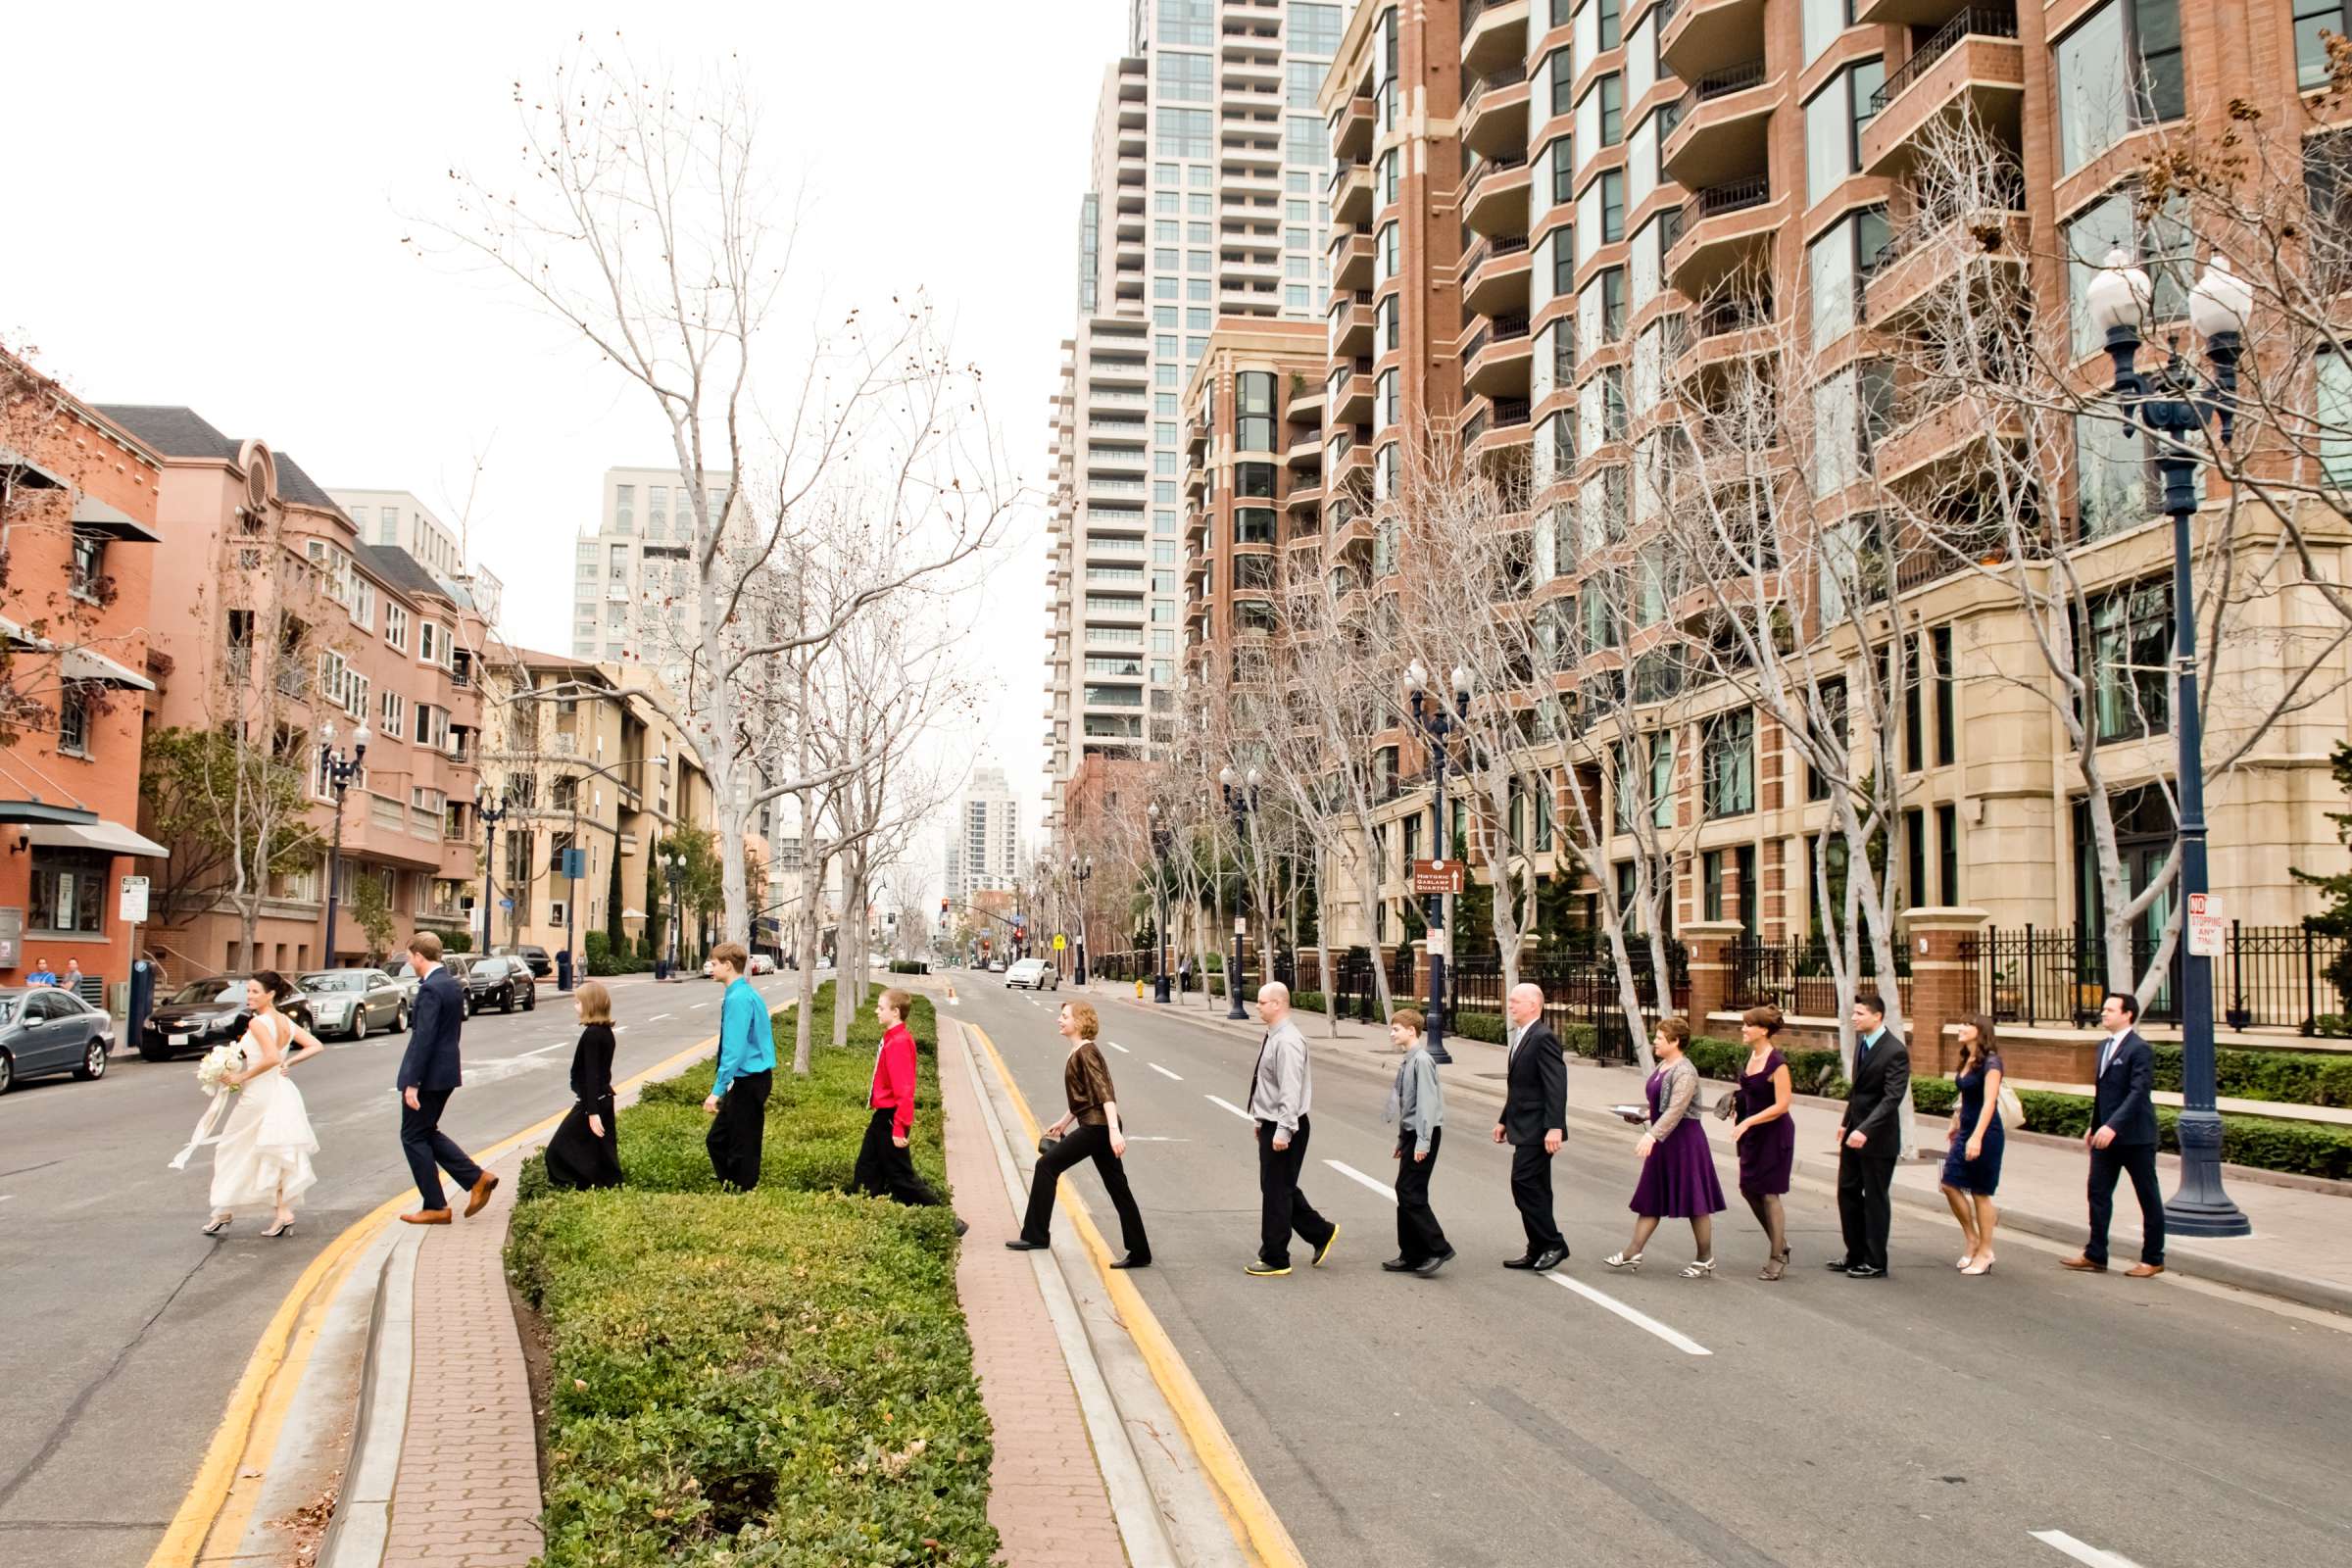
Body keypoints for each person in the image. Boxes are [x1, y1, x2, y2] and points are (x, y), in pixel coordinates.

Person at [1006, 999, 1149, 1267]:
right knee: (1118, 1187)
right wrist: (1064, 1122)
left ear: (1079, 1022)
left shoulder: (1087, 1052)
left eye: (1065, 1016)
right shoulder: (1080, 1051)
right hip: (1095, 1125)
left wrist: (1115, 1133)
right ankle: (1140, 1251)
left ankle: (1035, 1235)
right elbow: (1084, 1098)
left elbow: (1105, 1092)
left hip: (1097, 1128)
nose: (1059, 1020)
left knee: (1046, 1166)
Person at [187, 972, 322, 1238]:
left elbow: (270, 1057)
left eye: (255, 992)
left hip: (258, 1094)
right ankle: (281, 1212)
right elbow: (315, 1046)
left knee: (230, 1147)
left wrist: (241, 1076)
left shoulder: (259, 1023)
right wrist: (288, 1062)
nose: (249, 996)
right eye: (248, 991)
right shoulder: (284, 1020)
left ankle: (224, 1210)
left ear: (270, 994)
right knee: (271, 1151)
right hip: (280, 1090)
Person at [1606, 1017, 1727, 1275]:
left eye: (1660, 1038)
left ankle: (1705, 1257)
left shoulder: (1684, 1071)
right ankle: (1633, 1251)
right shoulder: (1664, 1065)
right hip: (1665, 1139)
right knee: (1651, 1194)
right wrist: (1643, 1115)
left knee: (1696, 1200)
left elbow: (1677, 1109)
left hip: (1685, 1141)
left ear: (1675, 1041)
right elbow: (1661, 1106)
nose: (1655, 1042)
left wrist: (1651, 1136)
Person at [395, 930, 495, 1225]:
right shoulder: (450, 984)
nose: (409, 961)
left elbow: (424, 1038)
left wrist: (413, 1083)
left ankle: (436, 1206)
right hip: (446, 1072)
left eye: (409, 956)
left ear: (418, 956)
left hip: (427, 1077)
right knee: (425, 1132)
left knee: (413, 1136)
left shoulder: (429, 990)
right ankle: (477, 1178)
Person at [2064, 991, 2165, 1279]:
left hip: (2135, 1138)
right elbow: (2103, 1094)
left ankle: (2153, 1258)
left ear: (2127, 1014)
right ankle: (2096, 1253)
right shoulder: (2102, 1047)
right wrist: (2095, 1125)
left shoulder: (2139, 1049)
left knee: (2147, 1196)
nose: (2103, 1013)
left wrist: (2113, 1126)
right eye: (2103, 1009)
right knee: (2097, 1192)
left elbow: (2138, 1093)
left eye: (2109, 1009)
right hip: (2105, 1137)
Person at [853, 988, 967, 1235]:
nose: (876, 1011)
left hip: (891, 1117)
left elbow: (904, 1090)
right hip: (882, 1116)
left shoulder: (899, 1043)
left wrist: (900, 1127)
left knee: (902, 1178)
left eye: (880, 1008)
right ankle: (867, 1223)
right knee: (866, 1170)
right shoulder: (894, 1038)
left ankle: (947, 1221)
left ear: (895, 1012)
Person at [1245, 980, 1337, 1277]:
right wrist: (1262, 1120)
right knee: (1278, 1187)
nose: (1257, 1006)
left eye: (1261, 1001)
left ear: (1278, 1004)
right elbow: (1268, 1085)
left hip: (1287, 1125)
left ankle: (1275, 1257)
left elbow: (1290, 1090)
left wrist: (1283, 1130)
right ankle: (1320, 1232)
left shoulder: (1287, 1042)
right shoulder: (1273, 1036)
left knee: (1276, 1192)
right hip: (1273, 1121)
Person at [1828, 995, 1909, 1279]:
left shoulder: (1895, 1051)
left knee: (1875, 1198)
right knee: (1847, 1191)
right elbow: (1858, 1092)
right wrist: (1847, 1123)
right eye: (1854, 1013)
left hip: (1878, 1138)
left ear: (1877, 1016)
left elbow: (1891, 1098)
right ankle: (1855, 1254)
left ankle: (1875, 1261)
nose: (1854, 1018)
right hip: (1854, 1133)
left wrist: (1865, 1129)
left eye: (1860, 1013)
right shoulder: (1863, 1044)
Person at [1494, 982, 1568, 1272]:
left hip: (1539, 1128)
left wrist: (1555, 1127)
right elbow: (1520, 1087)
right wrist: (1503, 1120)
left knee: (1523, 1183)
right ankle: (1536, 1247)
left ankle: (1553, 1243)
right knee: (1537, 1187)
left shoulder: (1543, 1037)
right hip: (1523, 1123)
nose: (1510, 1005)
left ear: (1534, 1005)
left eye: (1515, 1001)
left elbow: (1556, 1086)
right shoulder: (1524, 1035)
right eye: (1510, 1001)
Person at [1382, 1009, 1452, 1277]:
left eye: (1396, 1029)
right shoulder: (1409, 1060)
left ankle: (1438, 1248)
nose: (1392, 1033)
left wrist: (1422, 1143)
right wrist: (1403, 1139)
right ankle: (1410, 1253)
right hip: (1413, 1133)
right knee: (1405, 1191)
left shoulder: (1422, 1061)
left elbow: (1426, 1104)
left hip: (1426, 1132)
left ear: (1412, 1031)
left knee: (1411, 1192)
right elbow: (1406, 1104)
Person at [1730, 1004, 1796, 1279]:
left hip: (1774, 1135)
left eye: (1748, 1025)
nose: (1743, 1029)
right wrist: (1737, 1102)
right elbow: (1753, 1091)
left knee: (1769, 1193)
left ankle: (1777, 1255)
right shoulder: (1753, 1057)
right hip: (1753, 1135)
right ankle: (1780, 1241)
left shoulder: (1776, 1063)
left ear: (1764, 1030)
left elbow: (1782, 1105)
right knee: (1748, 1189)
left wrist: (1748, 1121)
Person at [702, 944, 774, 1190]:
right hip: (753, 1079)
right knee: (728, 1139)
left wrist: (717, 1090)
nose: (711, 967)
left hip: (749, 1080)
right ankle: (736, 1185)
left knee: (736, 1142)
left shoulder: (738, 998)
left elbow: (734, 1050)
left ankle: (739, 1189)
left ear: (728, 965)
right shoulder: (747, 994)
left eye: (714, 963)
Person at [1938, 1013, 2006, 1276]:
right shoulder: (1967, 1059)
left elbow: (1989, 1102)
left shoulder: (1992, 1063)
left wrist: (1977, 1137)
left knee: (1980, 1191)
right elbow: (1967, 1097)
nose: (1961, 1028)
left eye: (1967, 1024)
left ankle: (1986, 1250)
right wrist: (1956, 1122)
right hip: (1965, 1129)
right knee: (1949, 1184)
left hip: (1986, 1133)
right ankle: (1972, 1238)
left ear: (1981, 1031)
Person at [545, 979, 621, 1190]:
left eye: (578, 1002)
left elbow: (591, 1074)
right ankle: (598, 1187)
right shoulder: (604, 1031)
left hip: (594, 1103)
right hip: (600, 1100)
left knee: (557, 1150)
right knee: (600, 1152)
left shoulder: (592, 1035)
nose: (575, 1006)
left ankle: (585, 1187)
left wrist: (591, 1112)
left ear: (590, 1005)